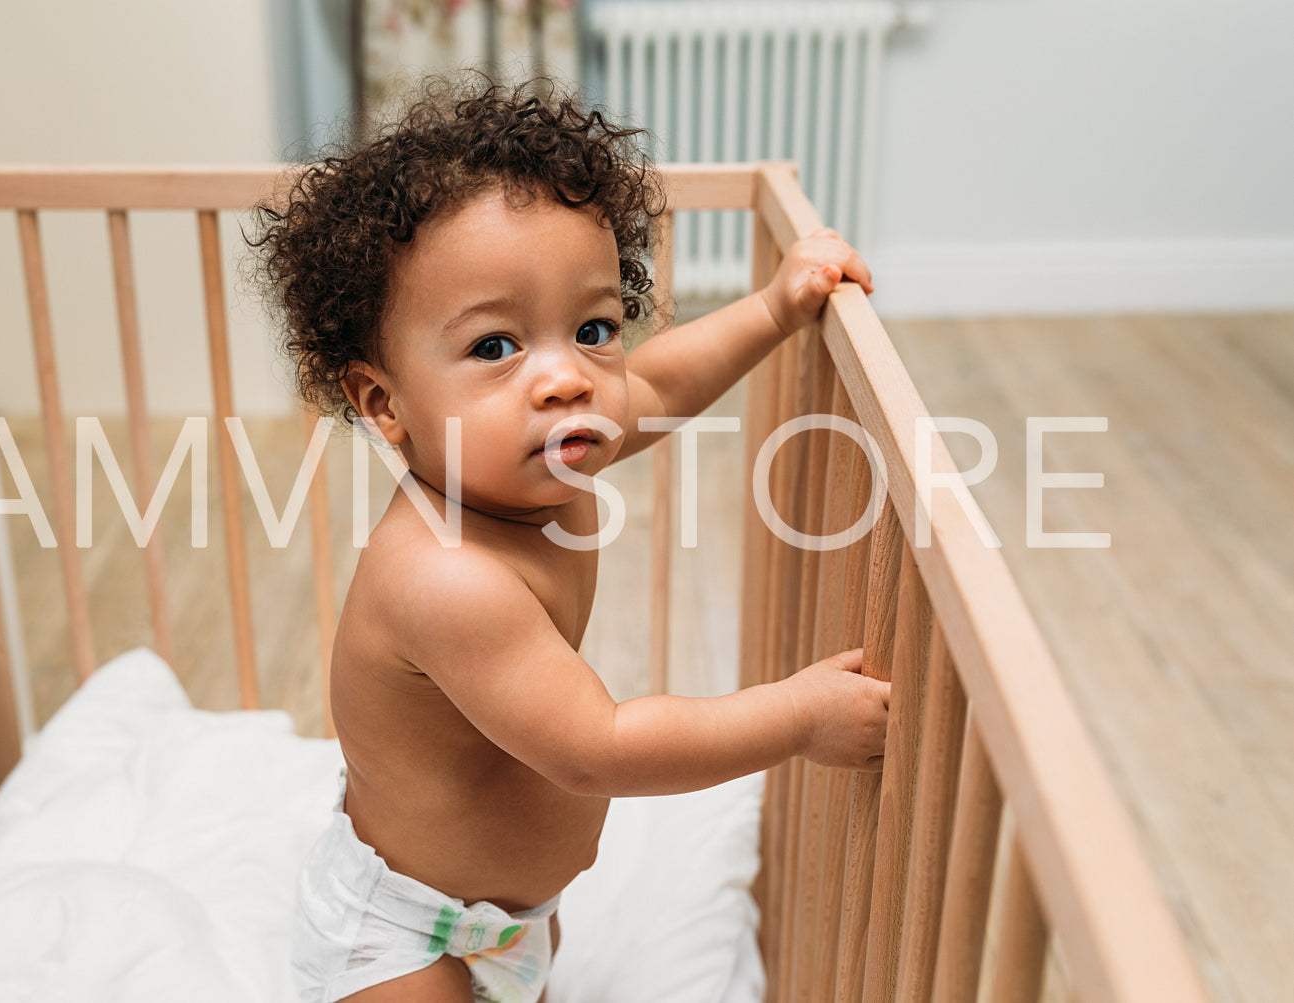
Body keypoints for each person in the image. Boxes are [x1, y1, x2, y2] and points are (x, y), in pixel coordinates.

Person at [250, 75, 889, 1003]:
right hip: (402, 930)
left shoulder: (541, 450)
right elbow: (598, 746)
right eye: (495, 346)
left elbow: (658, 385)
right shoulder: (445, 577)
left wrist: (775, 310)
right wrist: (796, 716)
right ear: (384, 403)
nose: (563, 377)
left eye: (591, 328)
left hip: (514, 917)